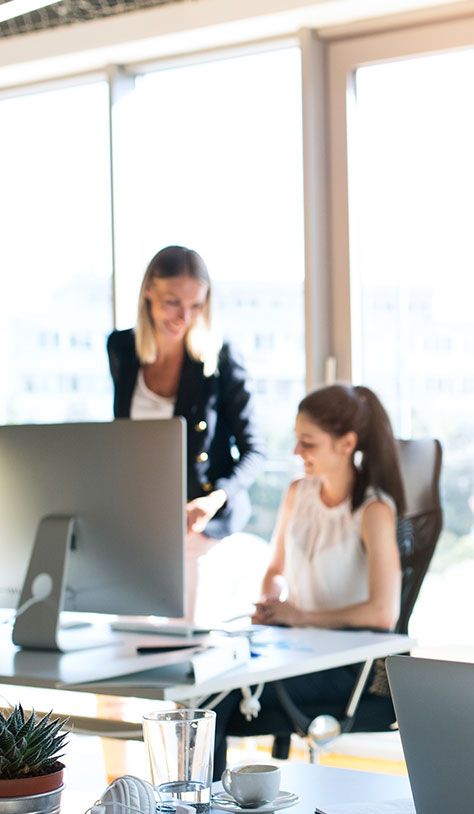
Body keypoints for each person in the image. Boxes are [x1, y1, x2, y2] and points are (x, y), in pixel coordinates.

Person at [213, 383, 405, 776]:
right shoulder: (298, 493)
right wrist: (271, 603)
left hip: (349, 665)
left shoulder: (373, 511)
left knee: (217, 701)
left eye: (308, 443)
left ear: (346, 443)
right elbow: (274, 570)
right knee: (207, 682)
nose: (297, 452)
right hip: (295, 650)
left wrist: (300, 617)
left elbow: (383, 613)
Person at [107, 245, 264, 571]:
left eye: (196, 305)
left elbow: (255, 451)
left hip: (203, 520)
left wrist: (215, 499)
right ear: (148, 291)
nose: (185, 317)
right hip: (142, 513)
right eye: (173, 303)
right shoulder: (122, 348)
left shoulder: (221, 359)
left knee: (180, 609)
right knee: (123, 606)